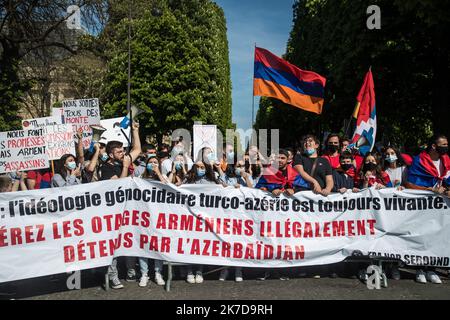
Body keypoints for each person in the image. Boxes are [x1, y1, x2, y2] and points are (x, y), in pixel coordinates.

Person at [99, 122, 141, 290]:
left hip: (128, 209)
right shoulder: (106, 167)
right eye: (119, 151)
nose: (123, 153)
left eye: (123, 150)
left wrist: (136, 131)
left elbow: (136, 149)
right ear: (110, 154)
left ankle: (131, 271)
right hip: (112, 211)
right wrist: (125, 167)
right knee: (113, 244)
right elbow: (119, 186)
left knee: (129, 239)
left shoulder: (123, 160)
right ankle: (113, 276)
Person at [405, 134, 449, 284]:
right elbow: (409, 184)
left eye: (446, 144)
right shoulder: (419, 161)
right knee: (421, 236)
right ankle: (419, 269)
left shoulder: (447, 161)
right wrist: (429, 189)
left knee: (437, 236)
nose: (446, 147)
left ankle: (432, 269)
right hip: (422, 205)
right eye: (443, 144)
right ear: (434, 146)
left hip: (440, 207)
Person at [184, 160, 221, 284]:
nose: (201, 169)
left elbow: (223, 191)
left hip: (204, 218)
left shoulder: (211, 181)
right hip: (190, 217)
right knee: (189, 245)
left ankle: (199, 271)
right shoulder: (188, 180)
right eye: (198, 167)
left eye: (203, 167)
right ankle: (189, 271)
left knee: (200, 245)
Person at [138, 155, 168, 287]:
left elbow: (168, 189)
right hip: (144, 217)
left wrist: (158, 174)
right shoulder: (140, 179)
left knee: (158, 245)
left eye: (156, 162)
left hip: (158, 217)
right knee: (143, 246)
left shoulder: (163, 177)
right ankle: (144, 274)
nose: (153, 164)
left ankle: (158, 273)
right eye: (151, 163)